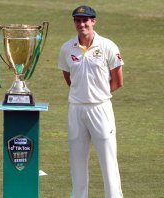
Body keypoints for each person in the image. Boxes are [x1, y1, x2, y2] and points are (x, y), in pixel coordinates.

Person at [58, 5, 124, 198]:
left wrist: (98, 93)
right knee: (77, 163)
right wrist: (82, 94)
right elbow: (68, 77)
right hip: (76, 110)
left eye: (85, 20)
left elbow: (118, 81)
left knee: (108, 161)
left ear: (93, 21)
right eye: (78, 20)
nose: (82, 24)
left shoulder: (107, 46)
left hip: (100, 108)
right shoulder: (66, 48)